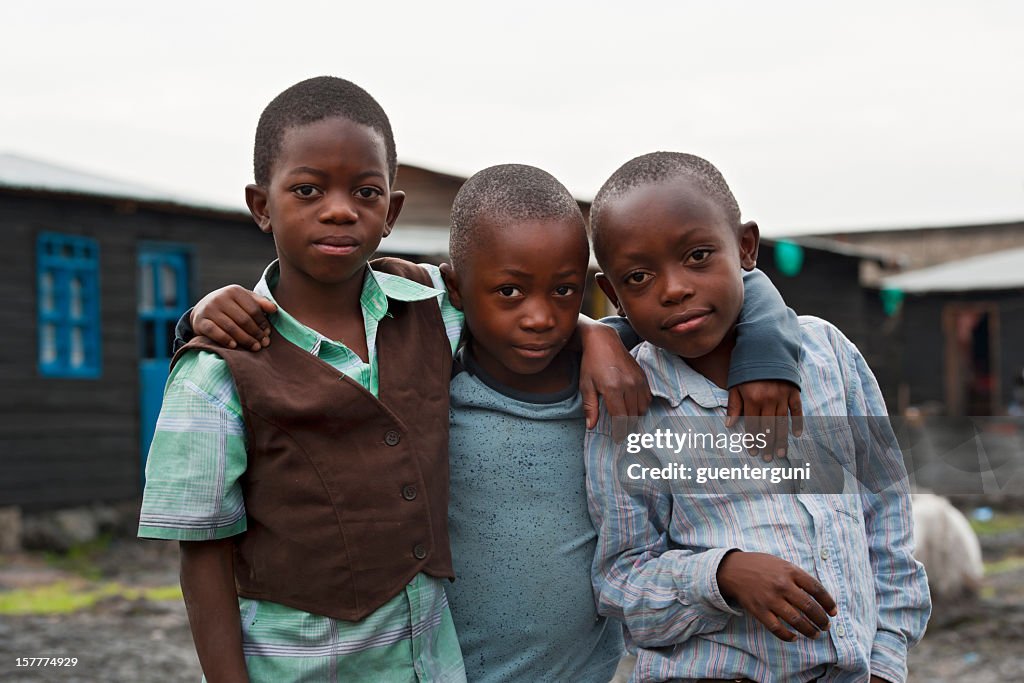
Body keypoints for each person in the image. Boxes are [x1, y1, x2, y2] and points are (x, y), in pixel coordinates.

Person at [187, 161, 805, 682]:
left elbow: (734, 285)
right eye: (510, 294)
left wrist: (763, 345)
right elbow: (351, 291)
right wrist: (205, 310)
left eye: (564, 294)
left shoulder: (627, 388)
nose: (539, 317)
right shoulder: (427, 379)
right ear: (458, 290)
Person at [585, 152, 931, 683]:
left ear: (745, 247)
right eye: (638, 275)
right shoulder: (631, 405)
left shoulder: (828, 357)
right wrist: (722, 576)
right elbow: (621, 583)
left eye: (698, 255)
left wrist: (885, 660)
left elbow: (885, 514)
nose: (674, 287)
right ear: (613, 293)